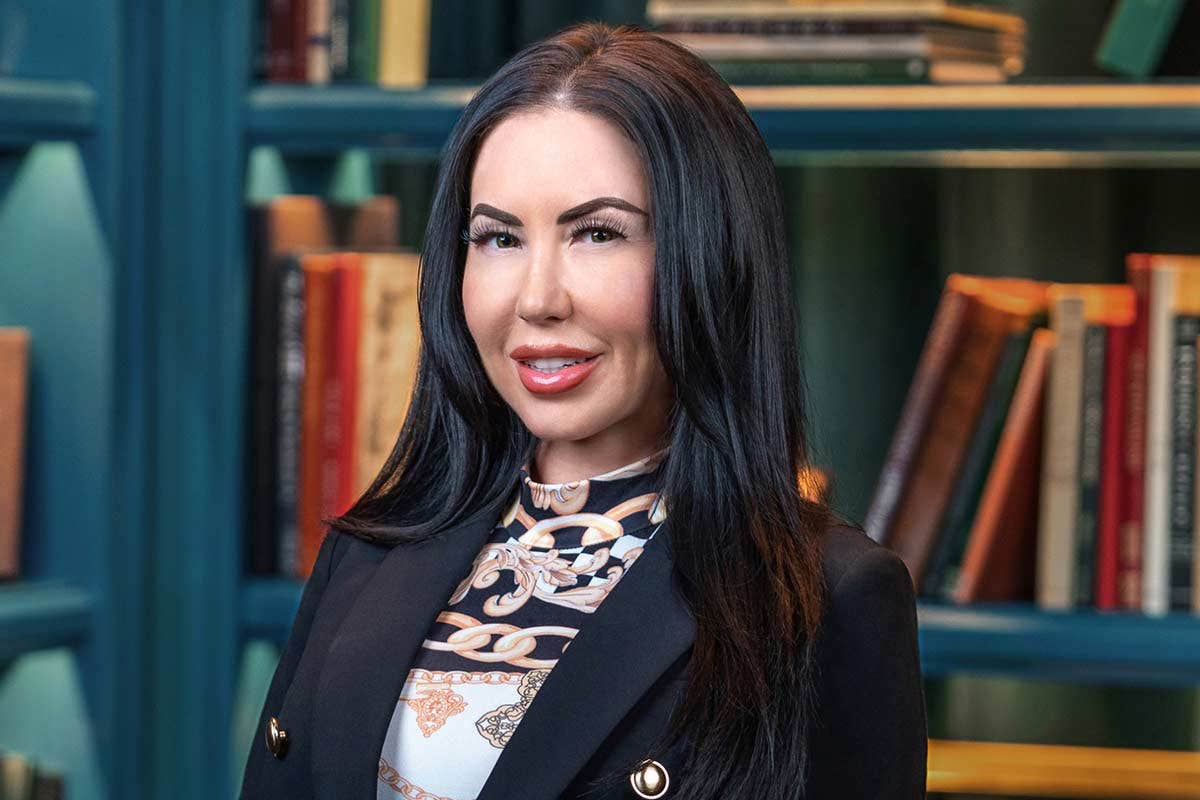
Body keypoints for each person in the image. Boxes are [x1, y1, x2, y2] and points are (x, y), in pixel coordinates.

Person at [240, 20, 926, 800]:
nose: (537, 299)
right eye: (498, 238)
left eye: (599, 233)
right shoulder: (369, 552)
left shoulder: (827, 600)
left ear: (710, 256)